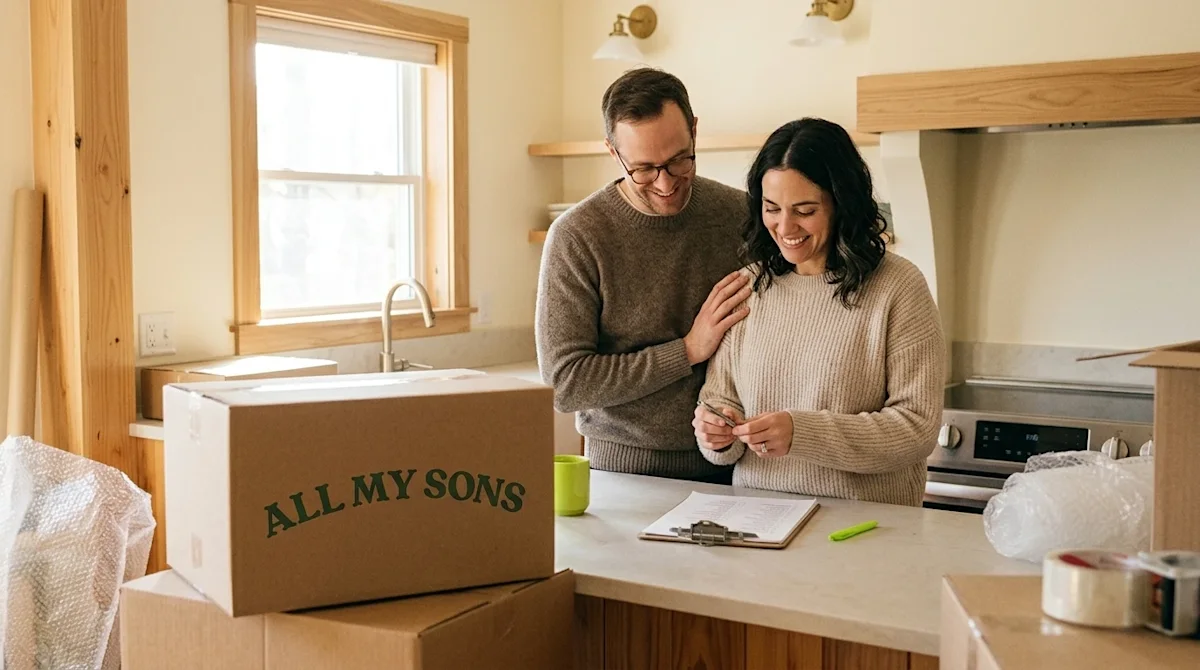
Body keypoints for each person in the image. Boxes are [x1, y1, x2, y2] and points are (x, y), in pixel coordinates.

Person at [692, 118, 945, 506]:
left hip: (868, 529)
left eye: (805, 210)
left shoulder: (899, 288)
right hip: (759, 521)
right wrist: (714, 434)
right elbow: (719, 404)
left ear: (841, 203)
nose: (785, 226)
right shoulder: (748, 287)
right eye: (771, 208)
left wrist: (802, 433)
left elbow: (916, 428)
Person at [536, 67, 751, 484]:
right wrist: (687, 350)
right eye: (645, 169)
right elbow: (565, 383)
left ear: (693, 130)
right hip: (621, 473)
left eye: (679, 160)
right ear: (613, 153)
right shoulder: (577, 236)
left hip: (737, 469)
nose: (666, 183)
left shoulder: (739, 216)